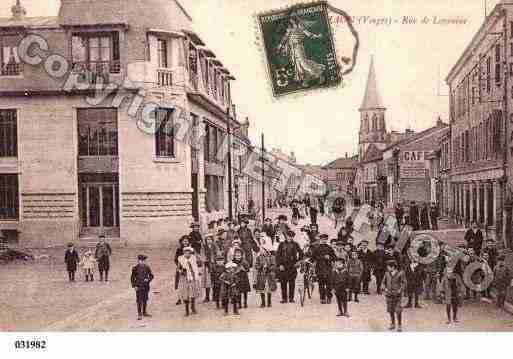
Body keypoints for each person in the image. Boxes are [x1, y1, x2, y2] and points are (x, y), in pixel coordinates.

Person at [276, 230, 303, 303]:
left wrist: (298, 261)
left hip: (292, 265)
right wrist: (279, 265)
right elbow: (278, 255)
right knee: (283, 283)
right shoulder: (281, 244)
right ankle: (284, 299)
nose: (290, 238)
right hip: (283, 266)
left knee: (292, 283)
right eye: (289, 236)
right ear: (286, 236)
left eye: (291, 236)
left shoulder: (295, 244)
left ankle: (291, 298)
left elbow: (301, 253)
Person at [311, 234, 336, 304]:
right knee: (321, 284)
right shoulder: (317, 248)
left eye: (325, 239)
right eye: (322, 239)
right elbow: (312, 258)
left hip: (328, 269)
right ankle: (322, 298)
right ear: (320, 240)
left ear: (327, 240)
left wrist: (330, 258)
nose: (324, 240)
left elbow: (335, 258)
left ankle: (329, 297)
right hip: (319, 268)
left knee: (329, 284)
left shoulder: (329, 248)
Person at [177, 247, 201, 317]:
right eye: (185, 252)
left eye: (189, 252)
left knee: (193, 293)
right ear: (183, 253)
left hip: (193, 277)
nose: (187, 254)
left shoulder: (193, 258)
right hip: (184, 278)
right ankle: (187, 310)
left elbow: (199, 263)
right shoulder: (181, 259)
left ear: (191, 253)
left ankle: (193, 307)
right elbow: (178, 268)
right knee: (186, 294)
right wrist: (181, 271)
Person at [384, 259, 406, 332]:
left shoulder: (401, 273)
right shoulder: (387, 273)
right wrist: (384, 288)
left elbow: (404, 283)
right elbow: (383, 282)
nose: (387, 268)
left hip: (397, 295)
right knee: (391, 310)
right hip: (389, 295)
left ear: (393, 267)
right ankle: (392, 323)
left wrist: (400, 290)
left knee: (398, 310)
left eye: (388, 267)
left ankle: (399, 325)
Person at [254, 241, 278, 308]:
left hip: (269, 275)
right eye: (261, 250)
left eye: (263, 250)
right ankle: (263, 302)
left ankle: (269, 302)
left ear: (266, 250)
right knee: (262, 289)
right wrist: (261, 267)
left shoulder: (272, 257)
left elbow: (274, 265)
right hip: (261, 275)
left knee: (269, 289)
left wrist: (269, 267)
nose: (261, 251)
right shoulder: (259, 257)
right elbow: (256, 265)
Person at [131, 254, 154, 320]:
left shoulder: (147, 267)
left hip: (146, 286)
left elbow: (152, 276)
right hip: (138, 286)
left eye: (144, 261)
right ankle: (139, 314)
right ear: (138, 261)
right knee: (139, 300)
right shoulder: (135, 268)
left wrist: (148, 279)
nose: (143, 262)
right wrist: (134, 286)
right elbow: (132, 278)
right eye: (142, 260)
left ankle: (144, 312)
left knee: (145, 299)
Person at [174, 235, 190, 305]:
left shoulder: (190, 249)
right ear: (182, 242)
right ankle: (179, 298)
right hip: (180, 268)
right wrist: (180, 267)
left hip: (189, 269)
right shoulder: (179, 250)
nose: (185, 242)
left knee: (188, 284)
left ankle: (186, 298)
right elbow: (175, 259)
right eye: (184, 241)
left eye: (187, 241)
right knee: (180, 284)